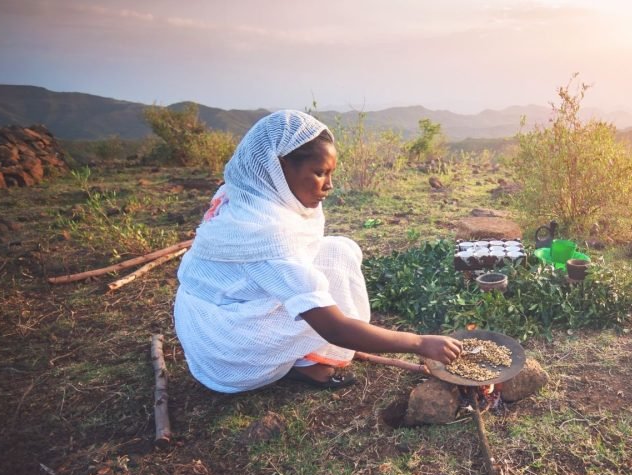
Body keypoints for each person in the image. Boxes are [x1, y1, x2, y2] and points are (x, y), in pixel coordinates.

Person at [173, 110, 462, 393]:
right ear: (279, 167)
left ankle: (300, 356)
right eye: (319, 172)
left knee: (338, 251)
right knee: (327, 294)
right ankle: (304, 364)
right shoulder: (266, 234)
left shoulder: (245, 192)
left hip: (211, 321)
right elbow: (334, 327)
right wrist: (419, 343)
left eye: (331, 173)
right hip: (229, 354)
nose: (330, 185)